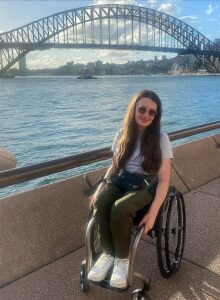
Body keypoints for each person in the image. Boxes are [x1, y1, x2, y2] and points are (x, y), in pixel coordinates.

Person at [87, 90, 173, 289]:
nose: (146, 115)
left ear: (156, 116)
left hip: (145, 183)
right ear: (133, 109)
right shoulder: (122, 134)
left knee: (120, 208)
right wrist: (101, 186)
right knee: (101, 202)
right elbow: (116, 166)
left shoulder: (161, 139)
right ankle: (108, 254)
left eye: (152, 113)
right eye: (142, 109)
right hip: (121, 179)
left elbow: (164, 180)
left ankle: (122, 260)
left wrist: (152, 214)